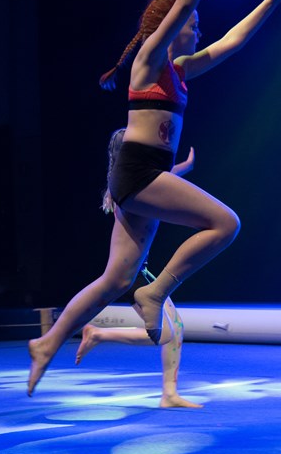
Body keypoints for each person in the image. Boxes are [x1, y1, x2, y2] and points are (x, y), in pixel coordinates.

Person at [27, 0, 281, 395]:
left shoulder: (181, 71)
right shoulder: (148, 61)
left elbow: (232, 42)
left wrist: (271, 1)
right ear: (172, 24)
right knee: (226, 224)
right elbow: (186, 0)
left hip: (145, 174)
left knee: (114, 280)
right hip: (138, 172)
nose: (198, 29)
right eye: (193, 23)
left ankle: (49, 342)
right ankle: (157, 291)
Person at [73, 128, 201, 409]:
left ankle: (169, 394)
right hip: (131, 276)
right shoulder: (129, 189)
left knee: (176, 327)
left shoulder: (126, 185)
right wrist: (182, 167)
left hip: (141, 271)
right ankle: (99, 334)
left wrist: (184, 167)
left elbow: (162, 179)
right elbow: (163, 180)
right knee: (165, 334)